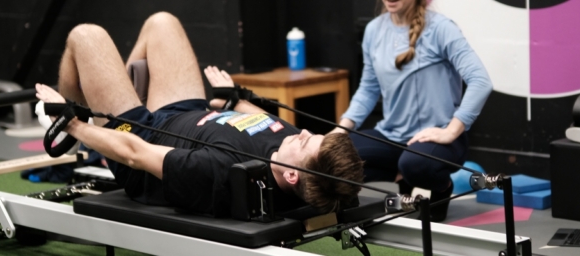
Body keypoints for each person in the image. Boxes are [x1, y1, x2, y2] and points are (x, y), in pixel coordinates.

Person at [35, 12, 363, 217]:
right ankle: (114, 99)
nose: (303, 133)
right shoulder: (292, 151)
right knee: (162, 23)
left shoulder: (224, 172)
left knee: (85, 36)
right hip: (188, 112)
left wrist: (73, 122)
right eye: (312, 135)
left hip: (138, 136)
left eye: (307, 142)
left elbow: (135, 154)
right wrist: (236, 100)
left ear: (292, 176)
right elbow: (267, 122)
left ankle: (78, 118)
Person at [330, 0, 493, 222]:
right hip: (392, 136)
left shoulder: (442, 28)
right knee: (335, 157)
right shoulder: (374, 30)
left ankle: (440, 186)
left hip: (439, 139)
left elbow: (480, 81)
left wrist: (451, 131)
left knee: (415, 164)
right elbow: (368, 89)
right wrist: (340, 130)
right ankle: (403, 178)